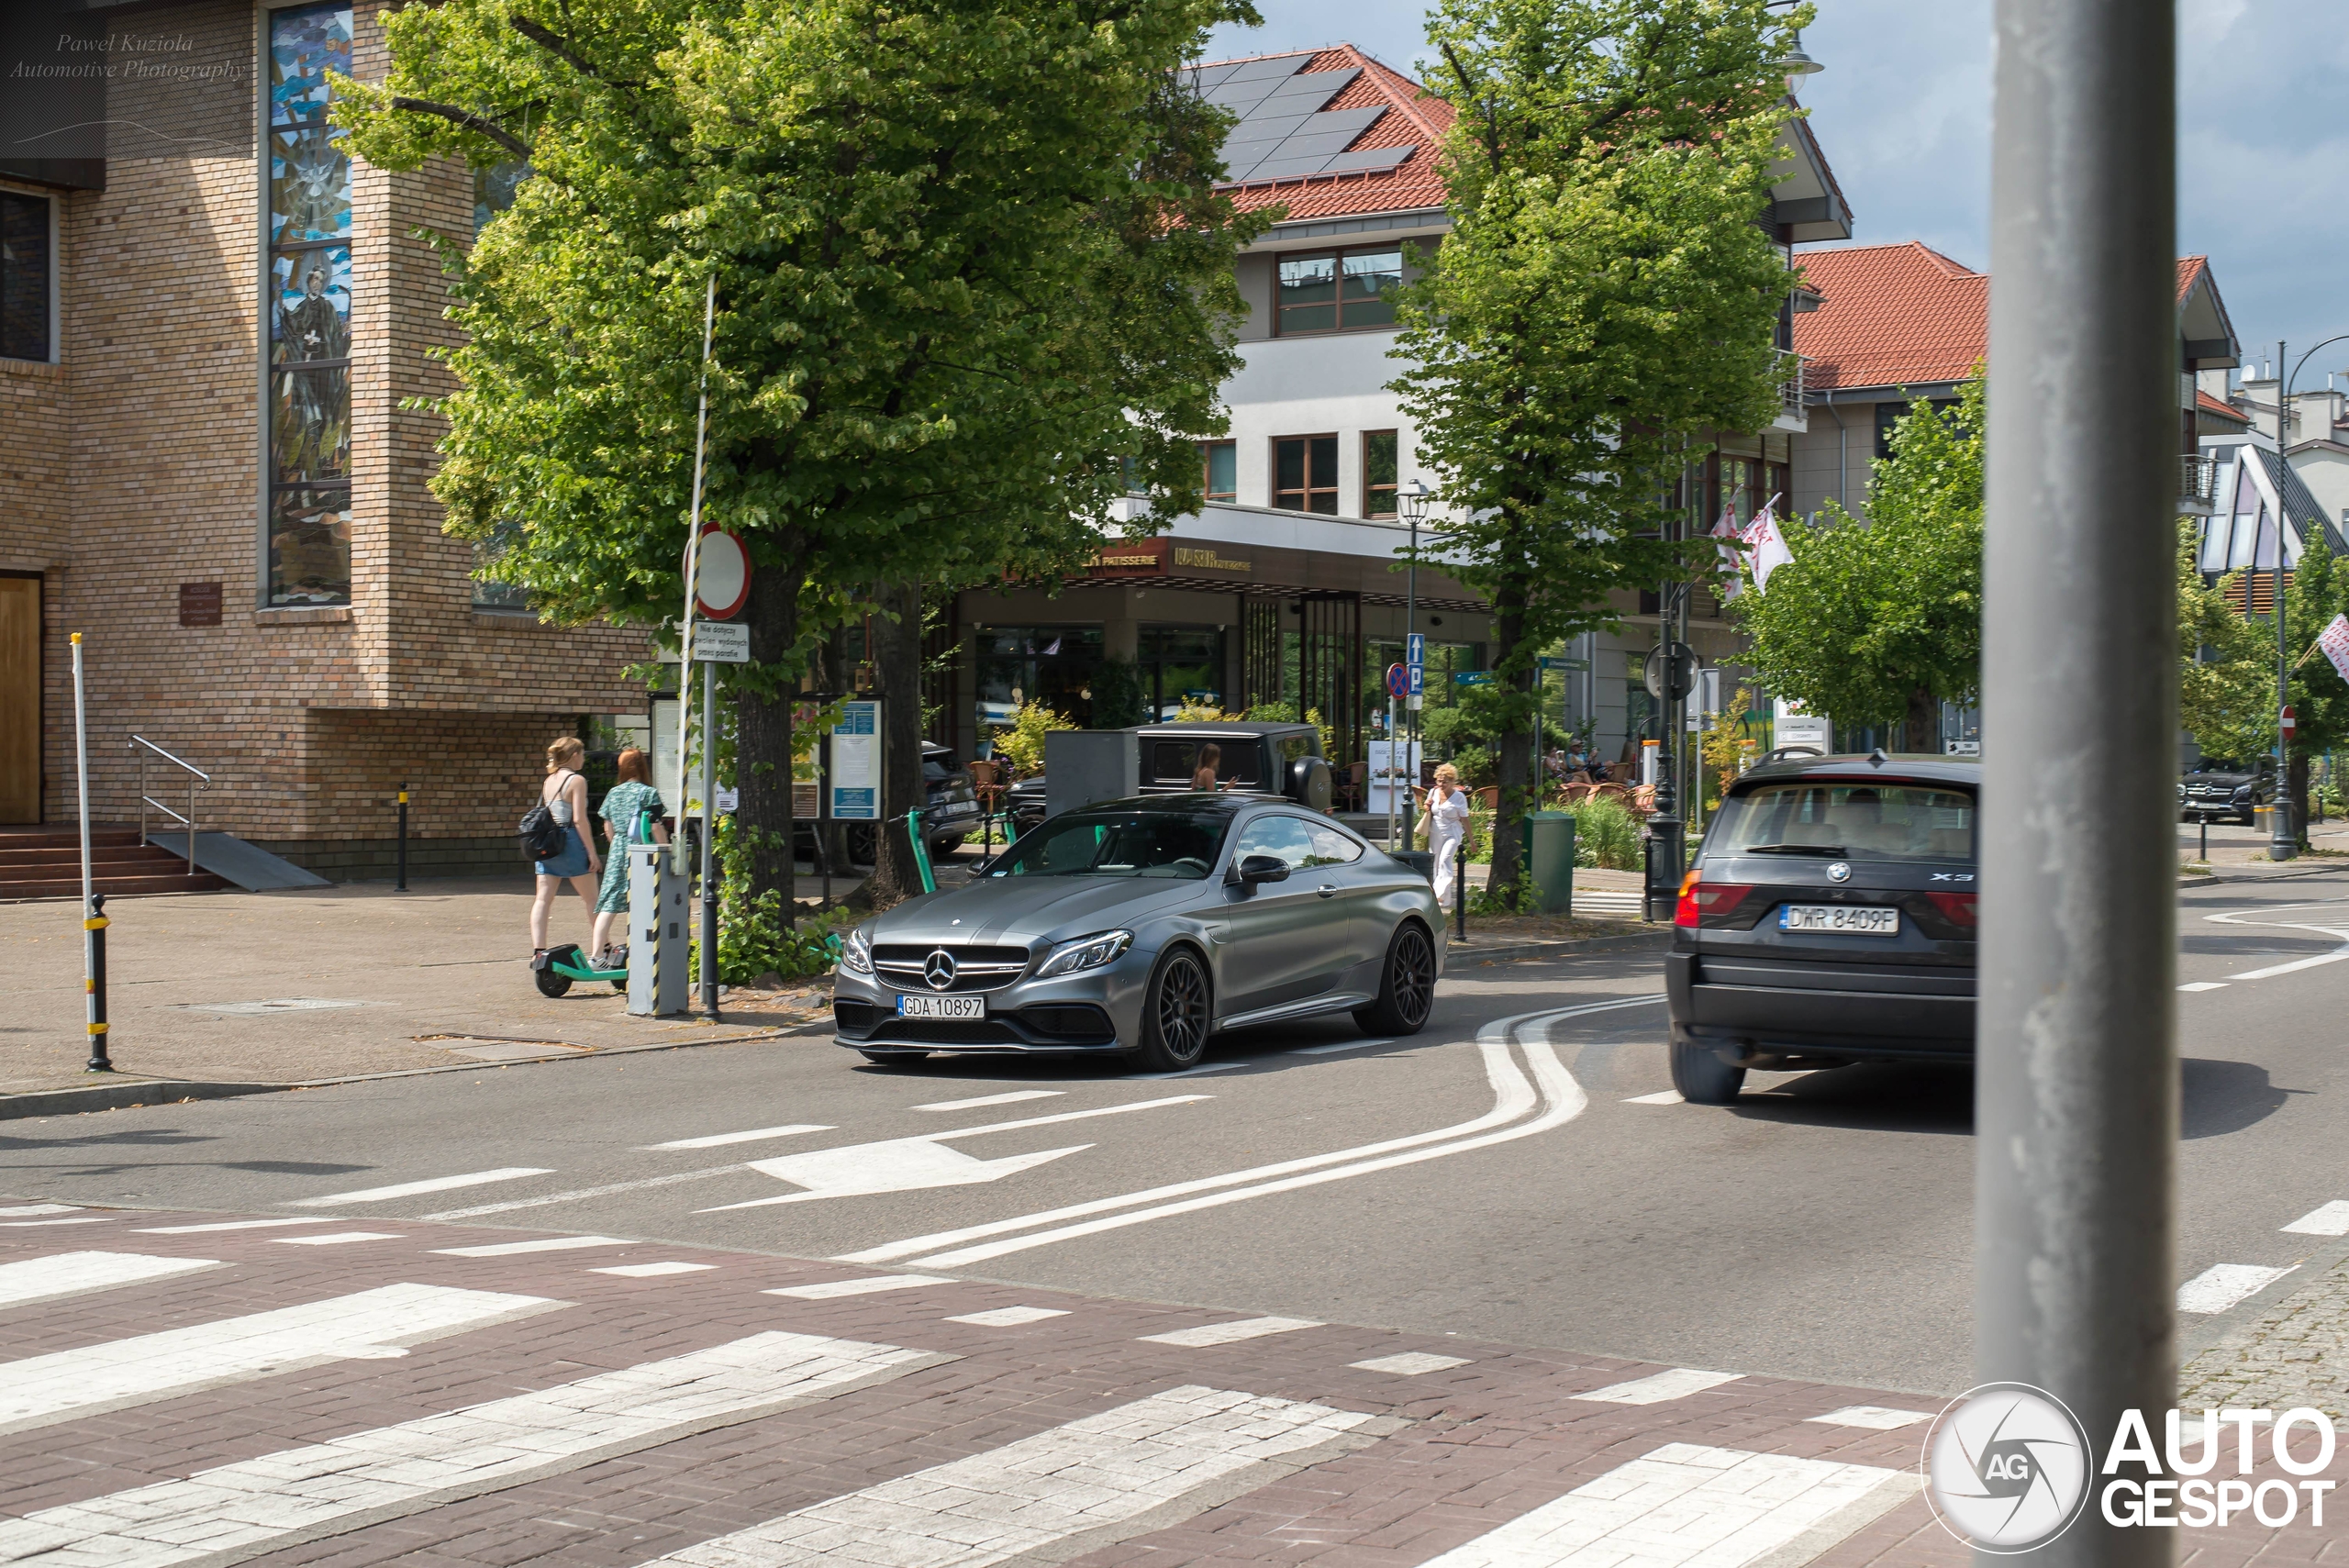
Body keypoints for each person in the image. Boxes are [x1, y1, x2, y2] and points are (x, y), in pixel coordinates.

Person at [590, 748, 670, 966]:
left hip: (618, 850)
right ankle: (642, 952)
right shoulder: (648, 793)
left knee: (609, 903)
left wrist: (618, 843)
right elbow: (655, 826)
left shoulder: (613, 793)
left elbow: (608, 828)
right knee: (643, 902)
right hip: (642, 852)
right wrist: (666, 848)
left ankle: (597, 955)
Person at [530, 736, 600, 961]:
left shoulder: (549, 780)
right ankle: (603, 948)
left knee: (543, 898)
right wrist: (592, 853)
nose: (583, 759)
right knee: (591, 898)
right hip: (569, 841)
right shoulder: (577, 780)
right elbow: (579, 819)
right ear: (574, 755)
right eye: (581, 754)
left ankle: (539, 950)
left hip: (548, 843)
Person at [1425, 762, 1471, 909]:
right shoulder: (1433, 792)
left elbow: (1465, 819)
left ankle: (1436, 892)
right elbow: (1428, 808)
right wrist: (1426, 805)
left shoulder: (1459, 797)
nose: (1441, 784)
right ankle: (1444, 901)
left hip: (1452, 832)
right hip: (1435, 831)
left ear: (1453, 782)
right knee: (1435, 863)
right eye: (1439, 781)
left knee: (1445, 860)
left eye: (1445, 781)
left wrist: (1472, 840)